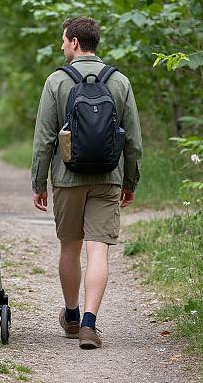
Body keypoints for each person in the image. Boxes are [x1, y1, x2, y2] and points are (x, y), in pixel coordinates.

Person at [31, 17, 142, 349]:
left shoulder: (56, 81)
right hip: (108, 177)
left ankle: (72, 314)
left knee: (70, 247)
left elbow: (44, 138)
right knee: (99, 252)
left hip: (67, 179)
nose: (62, 45)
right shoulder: (119, 81)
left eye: (64, 40)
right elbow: (133, 140)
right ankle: (90, 325)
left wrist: (39, 182)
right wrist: (130, 180)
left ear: (75, 43)